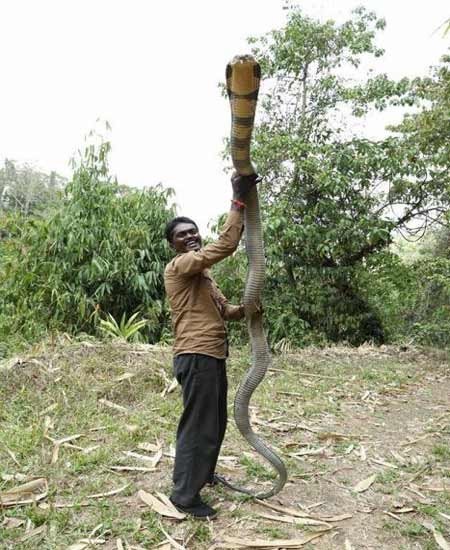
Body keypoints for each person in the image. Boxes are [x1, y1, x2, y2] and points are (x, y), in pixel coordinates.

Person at [164, 172, 259, 520]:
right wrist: (238, 202)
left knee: (214, 422)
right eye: (181, 235)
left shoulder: (204, 277)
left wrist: (249, 306)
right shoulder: (181, 267)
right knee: (198, 425)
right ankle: (185, 496)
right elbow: (226, 246)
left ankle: (201, 475)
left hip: (213, 354)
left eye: (192, 231)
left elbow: (228, 312)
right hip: (195, 354)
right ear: (173, 244)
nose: (189, 237)